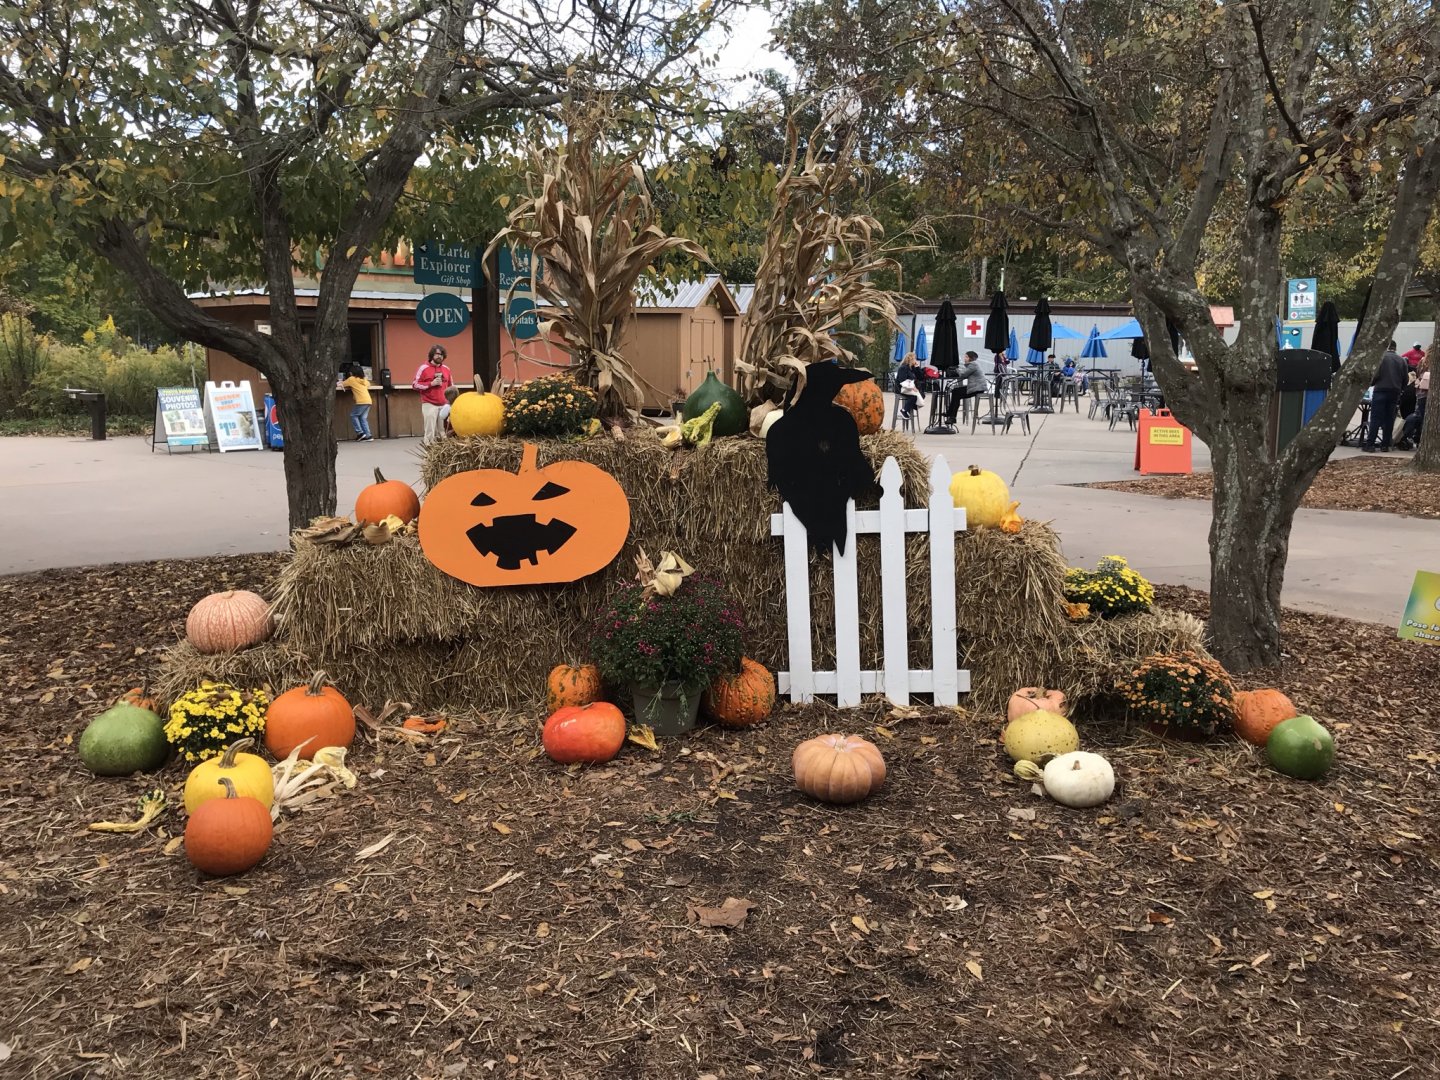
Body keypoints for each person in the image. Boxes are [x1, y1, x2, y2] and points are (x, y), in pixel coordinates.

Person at [1364, 341, 1408, 453]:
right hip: (1395, 392)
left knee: (1375, 418)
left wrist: (1372, 383)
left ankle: (1370, 445)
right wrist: (1400, 389)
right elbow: (1405, 379)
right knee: (1389, 419)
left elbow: (1375, 375)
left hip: (1380, 390)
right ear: (1395, 348)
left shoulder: (1381, 358)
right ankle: (1385, 445)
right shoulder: (1401, 360)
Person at [413, 345, 453, 444]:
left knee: (443, 432)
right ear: (432, 355)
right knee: (430, 432)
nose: (440, 356)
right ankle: (429, 452)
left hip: (444, 405)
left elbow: (451, 386)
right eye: (438, 354)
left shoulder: (446, 369)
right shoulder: (423, 368)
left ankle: (443, 455)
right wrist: (431, 384)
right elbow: (415, 385)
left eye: (442, 354)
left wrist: (450, 402)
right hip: (429, 404)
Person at [945, 350, 989, 425]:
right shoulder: (973, 365)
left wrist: (956, 369)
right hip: (977, 387)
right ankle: (950, 414)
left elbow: (963, 374)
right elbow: (964, 375)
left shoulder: (973, 365)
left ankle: (952, 417)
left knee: (956, 393)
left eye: (966, 357)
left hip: (977, 388)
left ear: (970, 358)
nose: (964, 358)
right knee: (956, 391)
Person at [1397, 366, 1429, 450]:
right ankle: (1417, 440)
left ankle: (1411, 438)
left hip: (1420, 397)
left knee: (1418, 418)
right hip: (1423, 397)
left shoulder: (1412, 387)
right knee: (1421, 419)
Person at [340, 363, 373, 442]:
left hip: (361, 401)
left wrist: (340, 382)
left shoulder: (351, 379)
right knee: (363, 418)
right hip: (368, 401)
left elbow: (342, 384)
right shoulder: (364, 380)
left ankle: (360, 433)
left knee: (353, 415)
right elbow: (368, 384)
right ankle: (368, 436)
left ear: (352, 373)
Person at [895, 353, 925, 419]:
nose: (915, 360)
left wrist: (917, 367)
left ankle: (909, 407)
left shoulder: (912, 368)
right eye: (914, 359)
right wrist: (912, 387)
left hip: (910, 387)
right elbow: (902, 380)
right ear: (910, 359)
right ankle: (905, 410)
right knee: (914, 397)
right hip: (902, 388)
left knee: (922, 395)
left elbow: (921, 377)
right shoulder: (903, 368)